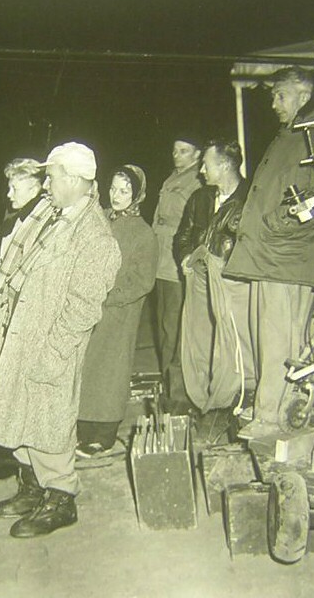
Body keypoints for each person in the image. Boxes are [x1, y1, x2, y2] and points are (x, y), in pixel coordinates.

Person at [0, 141, 120, 538]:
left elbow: (83, 308)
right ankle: (31, 485)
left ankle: (61, 497)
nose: (46, 184)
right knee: (17, 411)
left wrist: (55, 353)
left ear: (77, 180)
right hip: (19, 331)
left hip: (50, 341)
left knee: (50, 419)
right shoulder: (52, 212)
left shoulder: (95, 237)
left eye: (52, 176)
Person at [223, 67, 314, 439]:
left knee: (280, 342)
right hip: (270, 256)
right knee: (267, 339)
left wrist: (279, 223)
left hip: (287, 257)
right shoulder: (292, 134)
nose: (273, 103)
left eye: (280, 95)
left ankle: (272, 419)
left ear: (304, 96)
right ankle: (270, 410)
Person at [77, 165, 157, 458]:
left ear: (136, 195)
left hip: (118, 313)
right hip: (90, 307)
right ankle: (84, 429)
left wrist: (109, 297)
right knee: (87, 370)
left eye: (125, 191)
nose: (117, 195)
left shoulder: (143, 233)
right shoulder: (101, 221)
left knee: (110, 373)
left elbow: (143, 280)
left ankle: (104, 435)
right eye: (113, 189)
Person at [0, 157, 47, 482]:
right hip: (5, 312)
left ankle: (24, 463)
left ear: (35, 186)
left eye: (14, 186)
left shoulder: (42, 218)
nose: (8, 192)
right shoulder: (16, 217)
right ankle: (6, 455)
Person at [175, 139, 252, 419]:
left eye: (206, 165)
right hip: (201, 284)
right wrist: (185, 256)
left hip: (234, 287)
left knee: (236, 345)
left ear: (223, 165)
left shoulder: (251, 198)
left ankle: (238, 399)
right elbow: (183, 235)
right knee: (202, 340)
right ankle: (208, 400)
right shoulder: (199, 199)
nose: (201, 172)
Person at [152, 133, 203, 413]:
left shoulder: (196, 181)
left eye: (184, 151)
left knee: (175, 328)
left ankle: (179, 395)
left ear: (197, 155)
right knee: (162, 326)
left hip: (176, 263)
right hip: (160, 261)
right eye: (175, 150)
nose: (177, 155)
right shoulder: (172, 178)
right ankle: (166, 385)